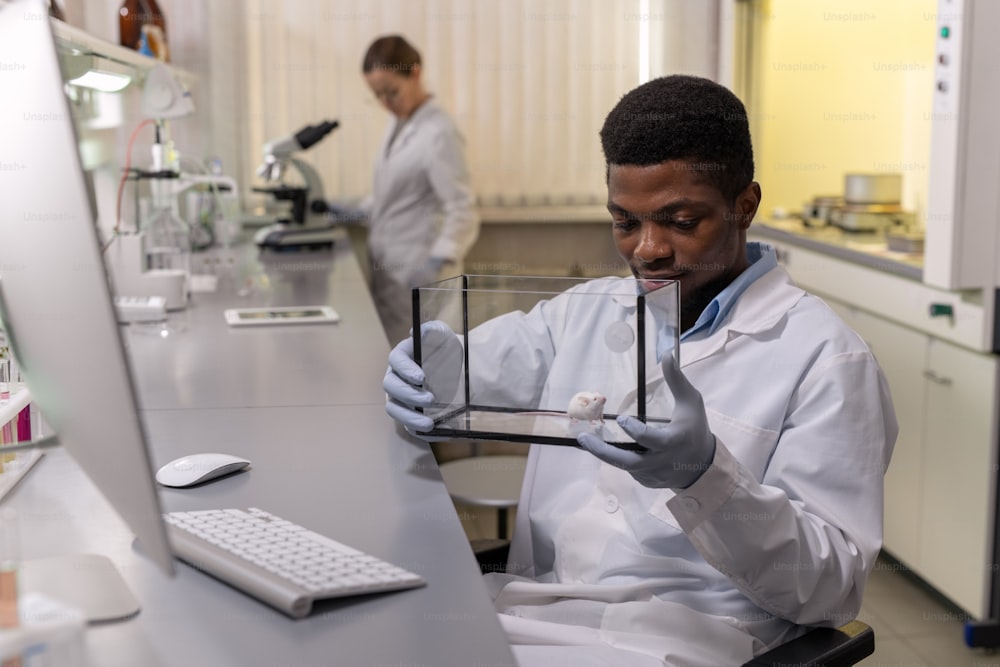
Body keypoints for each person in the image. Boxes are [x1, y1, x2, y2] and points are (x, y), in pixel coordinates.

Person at [384, 75, 897, 666]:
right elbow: (469, 375)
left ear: (745, 206)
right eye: (625, 221)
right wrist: (431, 366)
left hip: (686, 645)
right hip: (531, 617)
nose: (647, 249)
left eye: (680, 221)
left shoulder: (828, 360)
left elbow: (831, 593)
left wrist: (706, 478)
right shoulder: (584, 310)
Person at [355, 35, 480, 345]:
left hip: (425, 280)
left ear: (415, 72)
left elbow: (462, 209)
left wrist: (436, 264)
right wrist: (347, 208)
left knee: (429, 373)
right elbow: (396, 197)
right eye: (377, 94)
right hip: (392, 278)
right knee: (398, 368)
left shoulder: (439, 132)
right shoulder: (399, 124)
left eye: (391, 91)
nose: (386, 102)